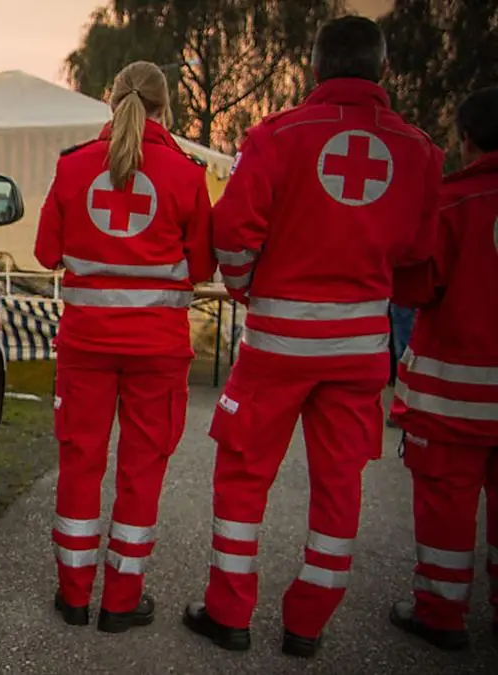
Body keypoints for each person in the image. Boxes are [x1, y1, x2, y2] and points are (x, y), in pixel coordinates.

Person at [181, 16, 444, 657]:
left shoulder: (278, 135)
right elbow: (419, 256)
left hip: (277, 343)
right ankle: (307, 624)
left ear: (315, 69)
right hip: (359, 349)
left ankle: (230, 613)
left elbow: (234, 230)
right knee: (339, 484)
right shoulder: (420, 152)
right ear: (383, 70)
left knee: (243, 474)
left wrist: (247, 288)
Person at [34, 61, 216, 633]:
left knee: (79, 463)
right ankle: (120, 602)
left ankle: (73, 595)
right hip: (158, 354)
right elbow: (204, 264)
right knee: (142, 472)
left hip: (85, 346)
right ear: (166, 108)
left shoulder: (73, 167)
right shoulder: (187, 175)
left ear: (110, 102)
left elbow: (44, 253)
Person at [387, 85, 498, 650]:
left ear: (466, 137)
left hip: (455, 392)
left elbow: (415, 286)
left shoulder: (457, 202)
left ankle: (440, 611)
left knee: (446, 505)